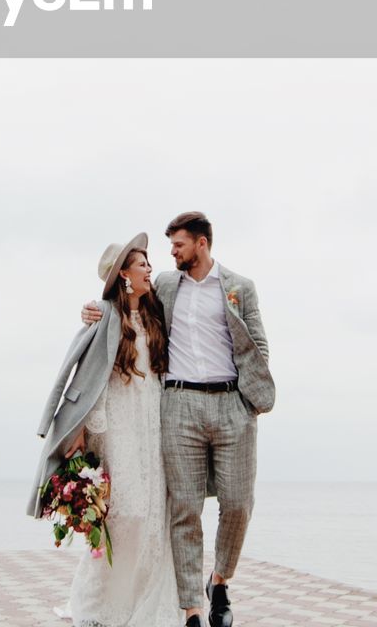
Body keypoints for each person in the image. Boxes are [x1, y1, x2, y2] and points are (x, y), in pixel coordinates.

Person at [82, 213, 275, 627]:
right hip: (180, 405)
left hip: (231, 405)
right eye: (169, 247)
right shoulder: (167, 286)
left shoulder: (241, 287)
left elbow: (259, 347)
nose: (170, 254)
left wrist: (247, 402)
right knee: (184, 509)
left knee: (239, 504)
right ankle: (191, 607)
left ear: (202, 244)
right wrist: (91, 310)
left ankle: (219, 581)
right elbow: (122, 302)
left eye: (178, 245)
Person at [28, 233, 181, 627]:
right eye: (142, 263)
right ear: (124, 275)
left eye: (149, 263)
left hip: (152, 427)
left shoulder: (155, 313)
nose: (150, 269)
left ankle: (140, 601)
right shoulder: (105, 315)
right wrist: (85, 429)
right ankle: (99, 604)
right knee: (123, 514)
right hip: (118, 428)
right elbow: (88, 373)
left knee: (151, 517)